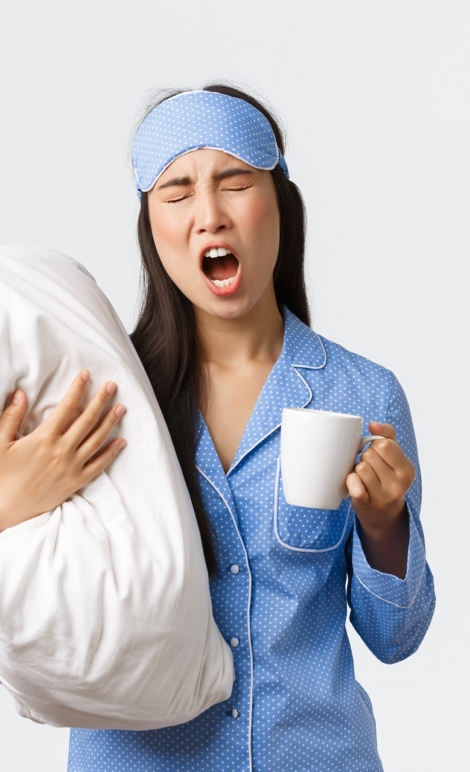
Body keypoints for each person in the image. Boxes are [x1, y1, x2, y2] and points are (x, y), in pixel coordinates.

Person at [0, 85, 435, 771]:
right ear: (151, 225)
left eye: (236, 183)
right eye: (176, 192)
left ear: (281, 206)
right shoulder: (95, 392)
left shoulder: (363, 393)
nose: (209, 215)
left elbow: (397, 638)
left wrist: (386, 527)